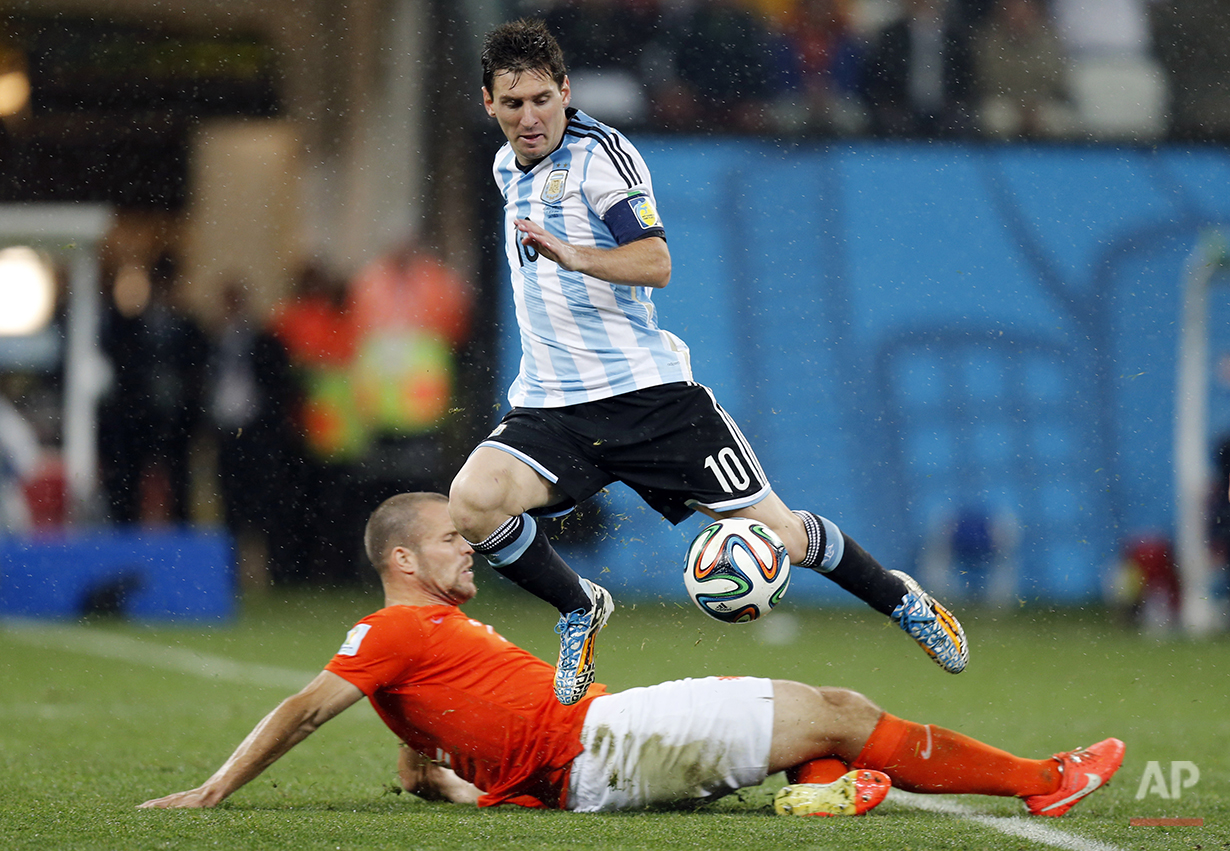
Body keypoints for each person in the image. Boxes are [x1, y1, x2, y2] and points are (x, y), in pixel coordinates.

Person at [450, 18, 968, 708]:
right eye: (513, 104)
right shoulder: (503, 166)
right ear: (489, 103)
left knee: (782, 534)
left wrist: (575, 254)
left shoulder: (601, 156)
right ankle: (579, 607)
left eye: (542, 99)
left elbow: (656, 262)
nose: (530, 117)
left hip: (650, 399)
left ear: (566, 91)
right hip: (552, 405)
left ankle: (900, 598)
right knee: (472, 501)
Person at [138, 492, 1125, 817]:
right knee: (838, 700)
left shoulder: (420, 648)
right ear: (403, 558)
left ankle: (817, 792)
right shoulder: (393, 629)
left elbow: (417, 764)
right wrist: (215, 788)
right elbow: (308, 707)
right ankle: (1043, 778)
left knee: (808, 735)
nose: (471, 542)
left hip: (592, 760)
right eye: (453, 536)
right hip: (605, 744)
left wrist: (458, 784)